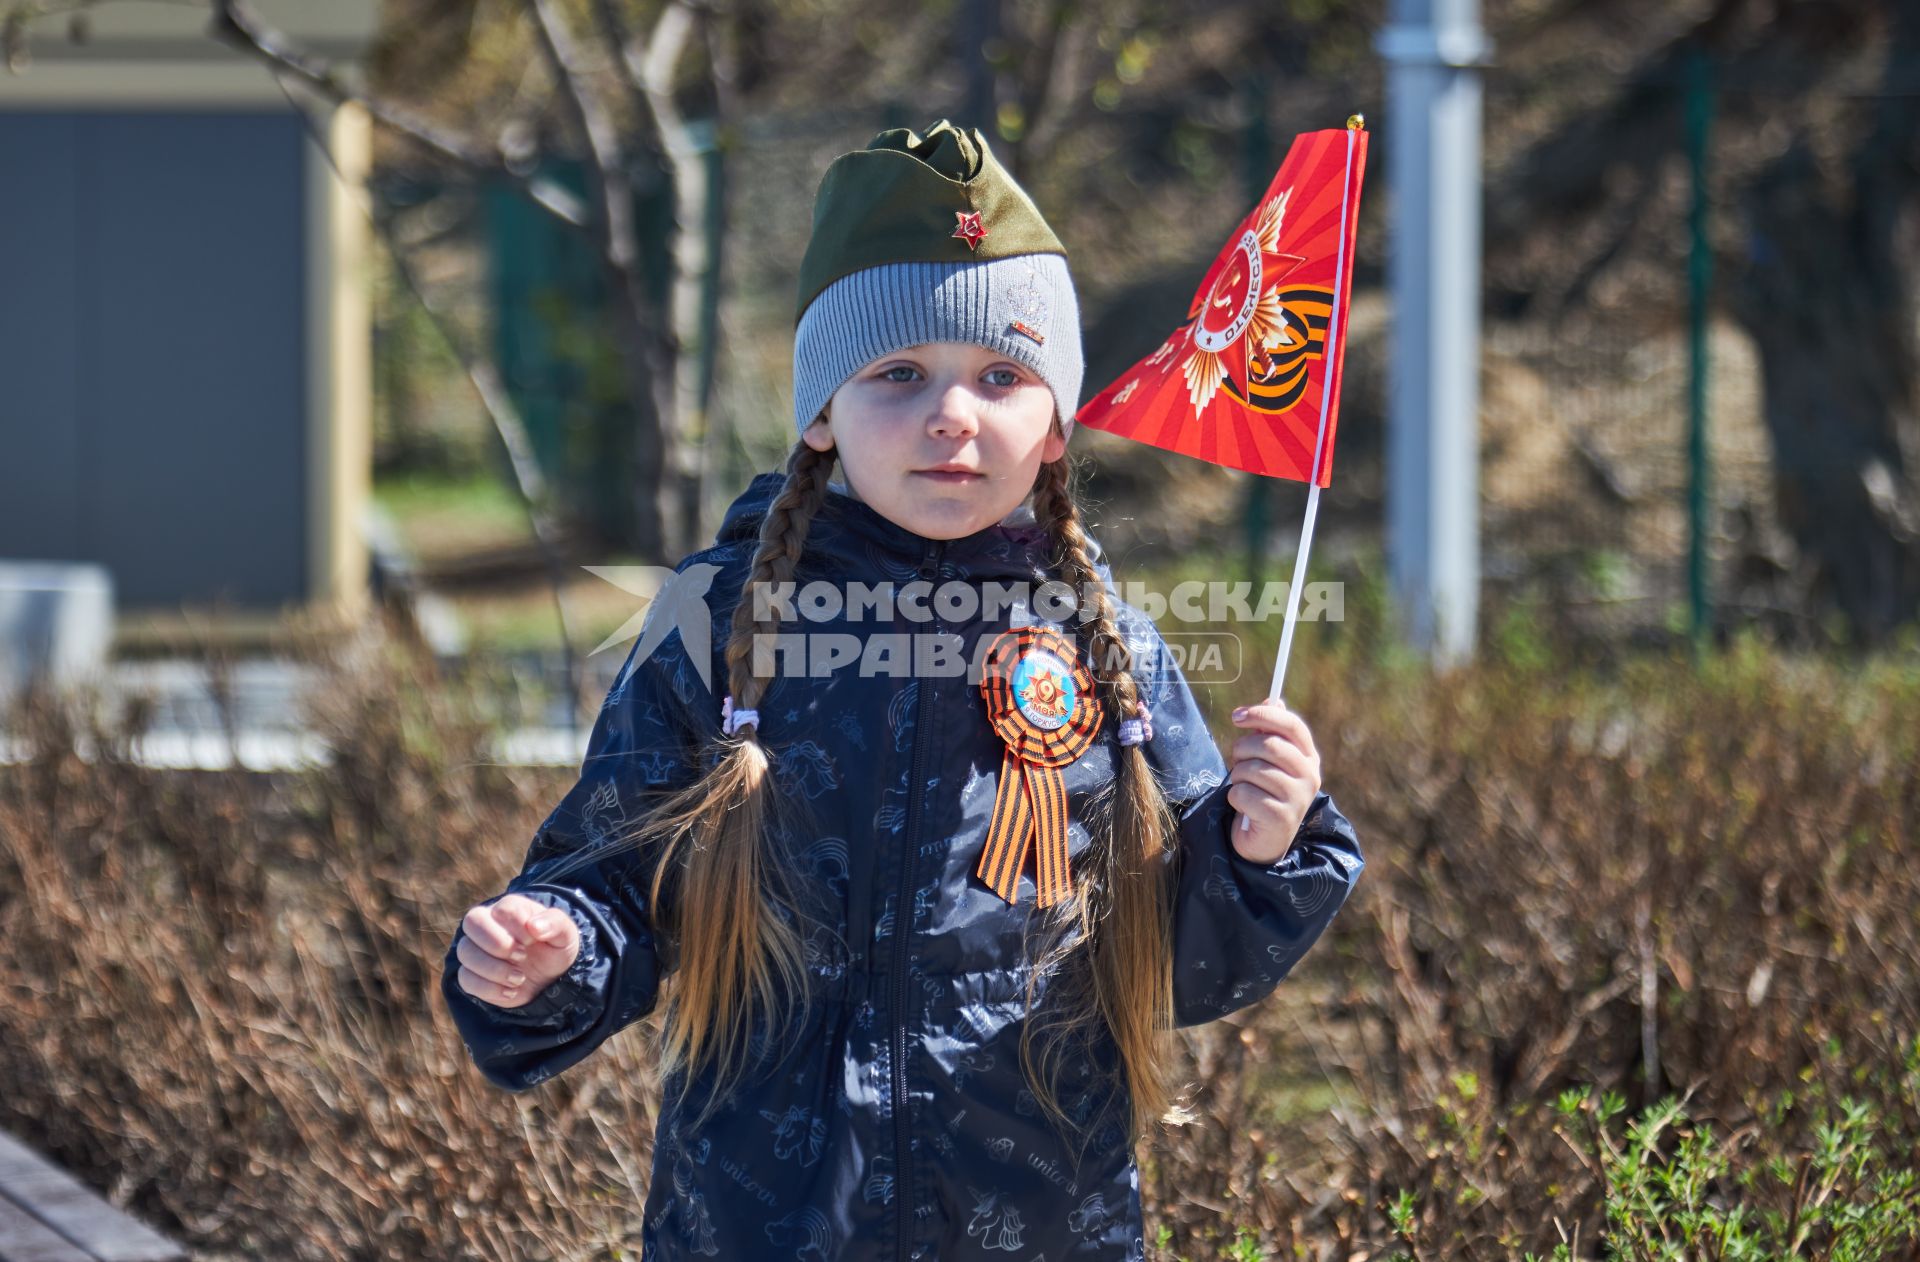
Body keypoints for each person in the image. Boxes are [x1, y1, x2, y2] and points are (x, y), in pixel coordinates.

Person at [441, 118, 1366, 1262]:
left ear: (1058, 424)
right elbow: (614, 874)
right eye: (898, 373)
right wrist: (557, 948)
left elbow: (1181, 958)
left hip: (1042, 1224)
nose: (952, 415)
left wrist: (1267, 847)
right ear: (821, 413)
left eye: (1000, 375)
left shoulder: (1105, 645)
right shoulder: (723, 623)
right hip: (761, 1224)